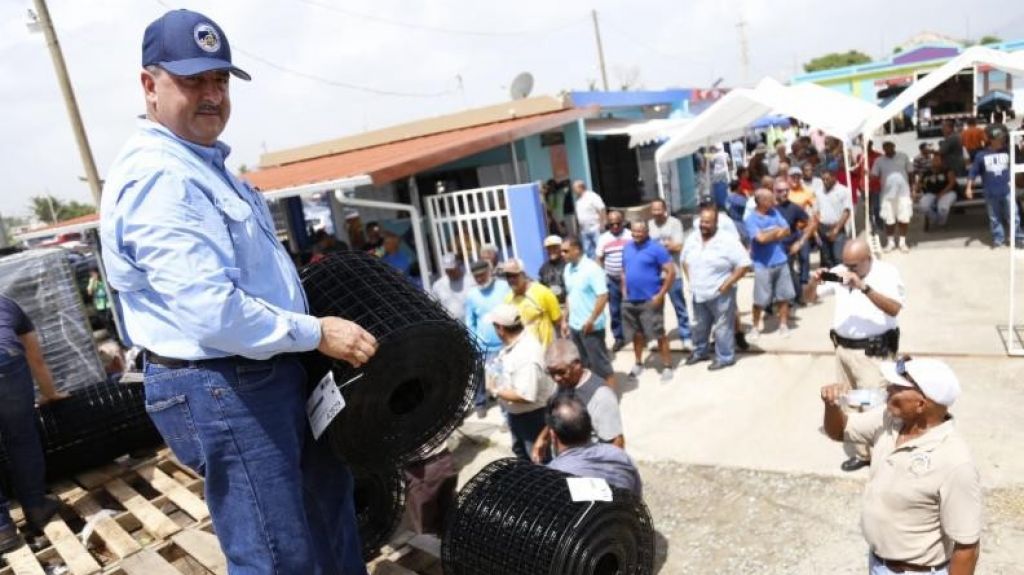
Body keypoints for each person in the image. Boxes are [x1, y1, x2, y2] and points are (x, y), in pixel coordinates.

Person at [99, 11, 379, 572]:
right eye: (193, 80)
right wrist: (316, 332)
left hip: (264, 372)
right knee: (276, 556)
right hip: (224, 385)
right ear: (150, 85)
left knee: (329, 519)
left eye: (220, 80)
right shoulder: (162, 177)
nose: (212, 95)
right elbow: (212, 313)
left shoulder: (203, 166)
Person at [820, 357, 980, 574]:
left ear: (920, 404)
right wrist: (832, 407)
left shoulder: (954, 461)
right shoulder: (889, 420)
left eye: (897, 386)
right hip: (879, 564)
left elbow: (967, 548)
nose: (888, 389)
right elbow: (840, 431)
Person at [805, 238, 904, 472]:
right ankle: (863, 453)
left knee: (874, 405)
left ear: (868, 259)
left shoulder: (887, 274)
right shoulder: (840, 272)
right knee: (850, 401)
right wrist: (813, 281)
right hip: (843, 351)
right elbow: (809, 298)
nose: (847, 270)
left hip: (872, 354)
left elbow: (894, 308)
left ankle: (883, 456)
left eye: (853, 266)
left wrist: (864, 287)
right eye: (845, 264)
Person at [0, 295, 67, 553]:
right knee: (22, 437)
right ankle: (36, 508)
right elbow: (36, 360)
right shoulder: (7, 304)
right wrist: (51, 394)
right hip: (6, 361)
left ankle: (3, 530)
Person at [681, 205, 751, 370]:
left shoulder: (727, 240)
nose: (703, 225)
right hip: (698, 292)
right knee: (700, 326)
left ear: (716, 223)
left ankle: (725, 357)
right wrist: (691, 280)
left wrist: (727, 284)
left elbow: (744, 264)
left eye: (707, 222)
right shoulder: (692, 238)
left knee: (722, 328)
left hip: (721, 294)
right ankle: (700, 352)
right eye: (702, 221)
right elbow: (684, 259)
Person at [531, 340, 624, 464]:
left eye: (561, 372)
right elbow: (559, 417)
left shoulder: (601, 396)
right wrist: (542, 438)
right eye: (551, 373)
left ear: (577, 364)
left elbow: (616, 443)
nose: (556, 378)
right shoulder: (563, 383)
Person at [485, 304, 555, 461]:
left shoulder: (526, 354)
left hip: (533, 419)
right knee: (524, 458)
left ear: (500, 329)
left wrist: (494, 390)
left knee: (539, 463)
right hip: (518, 416)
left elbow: (525, 395)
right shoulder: (516, 344)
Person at [543, 395, 641, 495]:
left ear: (553, 435)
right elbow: (637, 497)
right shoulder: (621, 457)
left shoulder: (550, 476)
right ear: (589, 426)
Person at [621, 220, 675, 382]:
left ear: (646, 232)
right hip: (630, 300)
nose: (636, 234)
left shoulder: (657, 249)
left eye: (640, 231)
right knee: (636, 334)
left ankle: (667, 366)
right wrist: (624, 291)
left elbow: (671, 272)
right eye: (634, 231)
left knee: (658, 334)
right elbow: (623, 271)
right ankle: (638, 363)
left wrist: (660, 295)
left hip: (650, 300)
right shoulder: (627, 247)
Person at [559, 237, 615, 388]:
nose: (562, 254)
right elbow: (570, 295)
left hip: (591, 327)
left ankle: (610, 397)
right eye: (562, 251)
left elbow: (603, 296)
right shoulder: (567, 269)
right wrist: (564, 319)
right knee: (582, 365)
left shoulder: (592, 269)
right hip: (575, 326)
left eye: (566, 251)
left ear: (577, 250)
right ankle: (591, 393)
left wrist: (591, 320)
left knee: (601, 366)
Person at [744, 189, 796, 339]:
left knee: (783, 297)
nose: (773, 200)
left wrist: (769, 234)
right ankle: (755, 327)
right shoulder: (751, 219)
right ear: (760, 201)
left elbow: (787, 230)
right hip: (762, 264)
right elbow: (760, 239)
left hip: (781, 261)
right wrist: (776, 231)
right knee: (760, 299)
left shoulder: (775, 213)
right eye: (769, 198)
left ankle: (783, 325)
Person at [465, 260, 511, 417]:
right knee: (485, 379)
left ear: (489, 272)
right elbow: (470, 321)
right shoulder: (471, 295)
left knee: (505, 380)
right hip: (484, 346)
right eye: (476, 277)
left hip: (505, 343)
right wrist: (475, 340)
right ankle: (480, 403)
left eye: (482, 275)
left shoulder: (503, 287)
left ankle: (506, 413)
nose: (480, 279)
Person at [966, 125, 1024, 248]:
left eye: (1002, 138)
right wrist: (969, 188)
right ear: (991, 140)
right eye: (998, 139)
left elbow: (1019, 163)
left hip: (1007, 190)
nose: (1001, 141)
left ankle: (1018, 238)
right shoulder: (981, 155)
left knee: (1014, 215)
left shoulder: (1009, 152)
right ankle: (999, 239)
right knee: (994, 217)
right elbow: (973, 172)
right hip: (990, 192)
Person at [647, 199, 692, 349]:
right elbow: (646, 248)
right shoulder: (649, 225)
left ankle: (686, 336)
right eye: (654, 210)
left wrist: (656, 249)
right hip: (654, 276)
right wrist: (665, 245)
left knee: (680, 307)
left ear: (665, 209)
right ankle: (656, 337)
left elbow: (678, 246)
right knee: (655, 309)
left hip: (674, 274)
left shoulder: (675, 223)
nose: (656, 213)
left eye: (659, 209)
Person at [772, 180, 815, 308]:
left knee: (789, 271)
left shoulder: (794, 208)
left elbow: (812, 222)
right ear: (774, 192)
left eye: (787, 190)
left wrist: (800, 242)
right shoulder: (769, 208)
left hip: (789, 246)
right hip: (773, 247)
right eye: (781, 191)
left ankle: (796, 298)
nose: (785, 193)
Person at [503, 258, 561, 348]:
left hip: (546, 349)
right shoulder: (507, 301)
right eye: (508, 276)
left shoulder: (543, 292)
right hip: (524, 351)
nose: (511, 279)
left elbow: (558, 321)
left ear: (523, 274)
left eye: (514, 275)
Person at [596, 210, 630, 351]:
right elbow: (599, 258)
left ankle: (638, 335)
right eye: (612, 224)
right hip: (612, 280)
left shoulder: (629, 235)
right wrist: (602, 276)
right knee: (614, 310)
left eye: (618, 223)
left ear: (623, 222)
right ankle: (619, 338)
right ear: (608, 224)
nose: (615, 226)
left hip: (629, 280)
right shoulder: (603, 239)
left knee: (633, 308)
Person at [871, 141, 913, 252]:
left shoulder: (903, 156)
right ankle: (890, 242)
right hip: (887, 195)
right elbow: (874, 175)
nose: (887, 149)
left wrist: (913, 189)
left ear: (894, 146)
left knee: (904, 218)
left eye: (889, 147)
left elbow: (911, 173)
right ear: (883, 149)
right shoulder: (879, 161)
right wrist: (867, 175)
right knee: (889, 220)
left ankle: (902, 242)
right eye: (885, 147)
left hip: (903, 193)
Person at [815, 170, 854, 269]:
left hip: (838, 228)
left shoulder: (844, 191)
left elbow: (846, 212)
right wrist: (816, 230)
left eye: (827, 179)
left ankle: (840, 277)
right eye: (823, 179)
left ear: (834, 178)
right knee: (826, 259)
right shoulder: (819, 191)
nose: (825, 182)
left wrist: (836, 230)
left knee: (838, 258)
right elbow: (817, 211)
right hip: (822, 228)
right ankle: (830, 277)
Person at [916, 154, 958, 231]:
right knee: (924, 207)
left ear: (942, 162)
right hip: (930, 193)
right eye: (933, 160)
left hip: (947, 193)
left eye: (937, 160)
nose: (934, 162)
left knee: (943, 209)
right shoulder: (926, 172)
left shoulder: (948, 170)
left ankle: (941, 222)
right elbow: (919, 184)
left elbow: (952, 183)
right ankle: (938, 220)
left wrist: (942, 193)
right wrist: (918, 188)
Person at [430, 253, 475, 320]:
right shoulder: (438, 285)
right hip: (450, 323)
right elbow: (434, 306)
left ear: (458, 265)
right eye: (447, 270)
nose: (450, 272)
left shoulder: (471, 280)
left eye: (452, 269)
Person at [572, 180, 606, 258]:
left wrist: (602, 224)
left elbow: (601, 209)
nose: (574, 191)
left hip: (595, 228)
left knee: (599, 249)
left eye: (575, 188)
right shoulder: (578, 200)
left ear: (581, 187)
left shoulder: (592, 196)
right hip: (584, 230)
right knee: (588, 251)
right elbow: (578, 215)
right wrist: (577, 229)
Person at [538, 235, 567, 307]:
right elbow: (541, 289)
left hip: (567, 305)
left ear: (560, 248)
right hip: (551, 307)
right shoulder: (543, 269)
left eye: (554, 248)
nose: (551, 251)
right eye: (549, 248)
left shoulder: (568, 265)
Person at [87, 269, 115, 336]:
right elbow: (89, 292)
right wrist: (94, 282)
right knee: (105, 321)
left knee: (109, 318)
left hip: (109, 303)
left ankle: (116, 333)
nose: (94, 275)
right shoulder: (92, 281)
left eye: (95, 273)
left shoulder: (104, 278)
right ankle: (113, 335)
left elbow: (112, 288)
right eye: (92, 274)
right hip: (99, 305)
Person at [708, 144, 732, 209]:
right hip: (724, 171)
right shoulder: (726, 154)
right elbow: (729, 162)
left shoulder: (714, 156)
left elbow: (711, 164)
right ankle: (724, 202)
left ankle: (718, 202)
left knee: (717, 186)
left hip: (716, 172)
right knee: (724, 186)